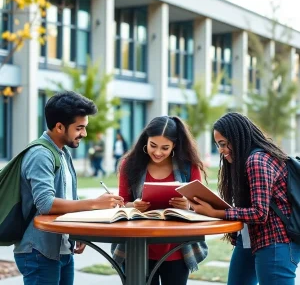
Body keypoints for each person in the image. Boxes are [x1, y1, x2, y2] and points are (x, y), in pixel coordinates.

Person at [14, 91, 124, 285]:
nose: (84, 133)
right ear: (59, 127)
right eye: (79, 128)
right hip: (40, 251)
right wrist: (94, 204)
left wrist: (78, 231)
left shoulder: (63, 153)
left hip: (61, 249)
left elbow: (68, 200)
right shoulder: (41, 154)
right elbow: (46, 204)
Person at [190, 112, 300, 285]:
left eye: (223, 144)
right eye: (218, 145)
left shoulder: (257, 160)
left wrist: (216, 212)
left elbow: (259, 213)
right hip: (250, 239)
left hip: (277, 243)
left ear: (237, 139)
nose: (220, 150)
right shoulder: (248, 160)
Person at [112, 116, 208, 285]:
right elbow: (122, 203)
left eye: (165, 148)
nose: (157, 152)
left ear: (174, 145)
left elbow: (201, 204)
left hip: (177, 249)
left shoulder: (188, 166)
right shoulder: (130, 164)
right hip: (138, 247)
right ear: (146, 141)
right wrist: (133, 206)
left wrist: (188, 204)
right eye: (153, 146)